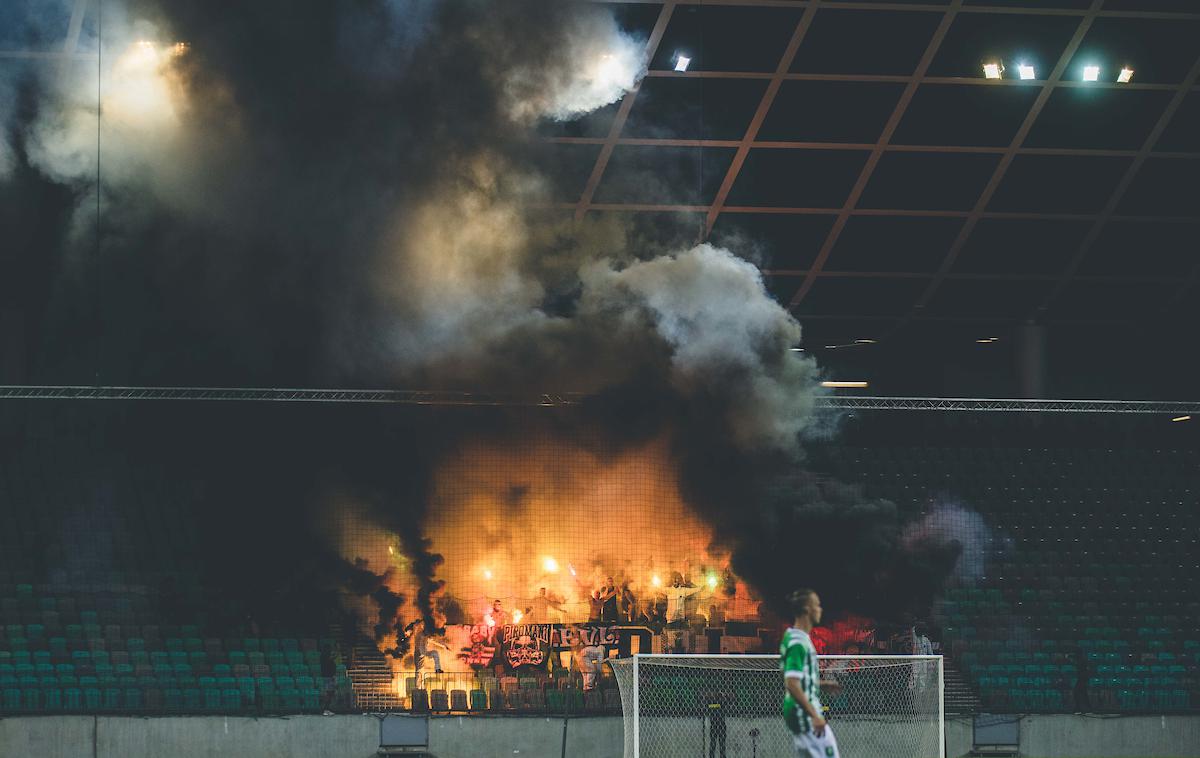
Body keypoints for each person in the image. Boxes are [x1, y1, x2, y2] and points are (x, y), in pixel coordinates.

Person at [782, 588, 840, 758]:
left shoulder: (794, 637)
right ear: (807, 609)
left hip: (798, 713)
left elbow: (799, 679)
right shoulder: (798, 643)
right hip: (804, 714)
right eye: (817, 605)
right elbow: (791, 683)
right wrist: (815, 716)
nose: (820, 609)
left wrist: (820, 684)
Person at [705, 688, 730, 758]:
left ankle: (722, 756)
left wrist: (724, 696)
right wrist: (718, 704)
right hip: (714, 725)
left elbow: (727, 703)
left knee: (722, 744)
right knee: (713, 743)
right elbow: (708, 706)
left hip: (721, 725)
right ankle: (712, 756)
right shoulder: (712, 702)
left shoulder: (723, 702)